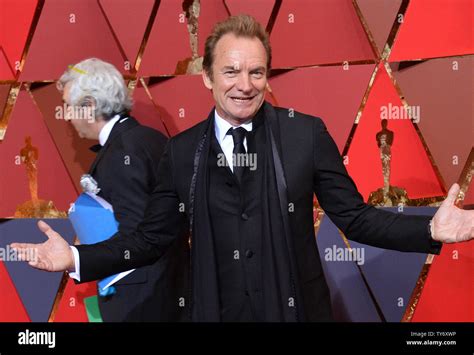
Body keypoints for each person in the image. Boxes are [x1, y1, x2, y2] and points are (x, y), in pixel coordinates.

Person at [12, 15, 474, 322]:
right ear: (209, 77)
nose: (245, 85)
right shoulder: (181, 151)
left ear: (267, 77)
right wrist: (75, 259)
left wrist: (429, 229)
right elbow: (150, 239)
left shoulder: (305, 135)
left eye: (256, 72)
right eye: (231, 72)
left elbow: (355, 217)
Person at [53, 58, 188, 321]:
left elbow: (138, 237)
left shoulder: (124, 150)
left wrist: (77, 256)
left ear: (90, 106)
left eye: (69, 107)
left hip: (140, 303)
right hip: (167, 293)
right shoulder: (149, 139)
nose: (66, 116)